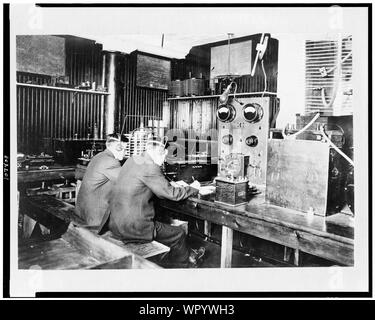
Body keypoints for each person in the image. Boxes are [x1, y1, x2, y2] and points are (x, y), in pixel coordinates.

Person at [99, 139, 206, 267]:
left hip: (115, 223)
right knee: (179, 233)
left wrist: (165, 183)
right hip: (133, 227)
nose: (164, 161)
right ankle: (182, 267)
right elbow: (173, 194)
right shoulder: (151, 167)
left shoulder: (133, 159)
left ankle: (186, 255)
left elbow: (145, 181)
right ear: (159, 153)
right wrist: (194, 187)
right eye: (164, 157)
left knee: (163, 220)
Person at [75, 133, 128, 226]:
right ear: (118, 147)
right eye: (125, 149)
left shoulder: (99, 156)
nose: (125, 152)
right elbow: (127, 182)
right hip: (95, 215)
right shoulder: (110, 161)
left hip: (83, 209)